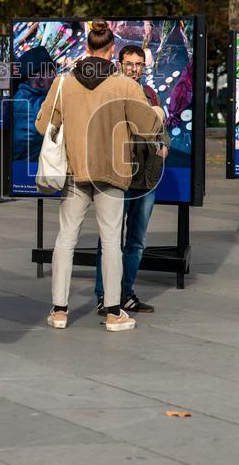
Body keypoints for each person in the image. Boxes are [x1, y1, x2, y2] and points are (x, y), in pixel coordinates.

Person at [35, 21, 160, 332]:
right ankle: (114, 312)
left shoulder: (64, 83)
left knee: (65, 239)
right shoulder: (126, 86)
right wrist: (157, 114)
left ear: (87, 48)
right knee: (111, 242)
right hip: (113, 173)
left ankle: (60, 311)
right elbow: (148, 128)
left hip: (75, 172)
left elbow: (42, 125)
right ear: (111, 51)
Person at [93, 45, 168, 314]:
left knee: (136, 241)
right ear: (119, 63)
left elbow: (162, 128)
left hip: (146, 180)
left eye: (139, 64)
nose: (134, 69)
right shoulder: (111, 92)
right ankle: (104, 295)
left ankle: (126, 293)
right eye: (129, 63)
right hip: (118, 177)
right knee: (110, 239)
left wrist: (164, 146)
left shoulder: (150, 94)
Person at [12, 46, 56, 161]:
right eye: (53, 74)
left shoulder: (19, 98)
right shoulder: (38, 107)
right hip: (29, 174)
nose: (55, 79)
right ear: (41, 80)